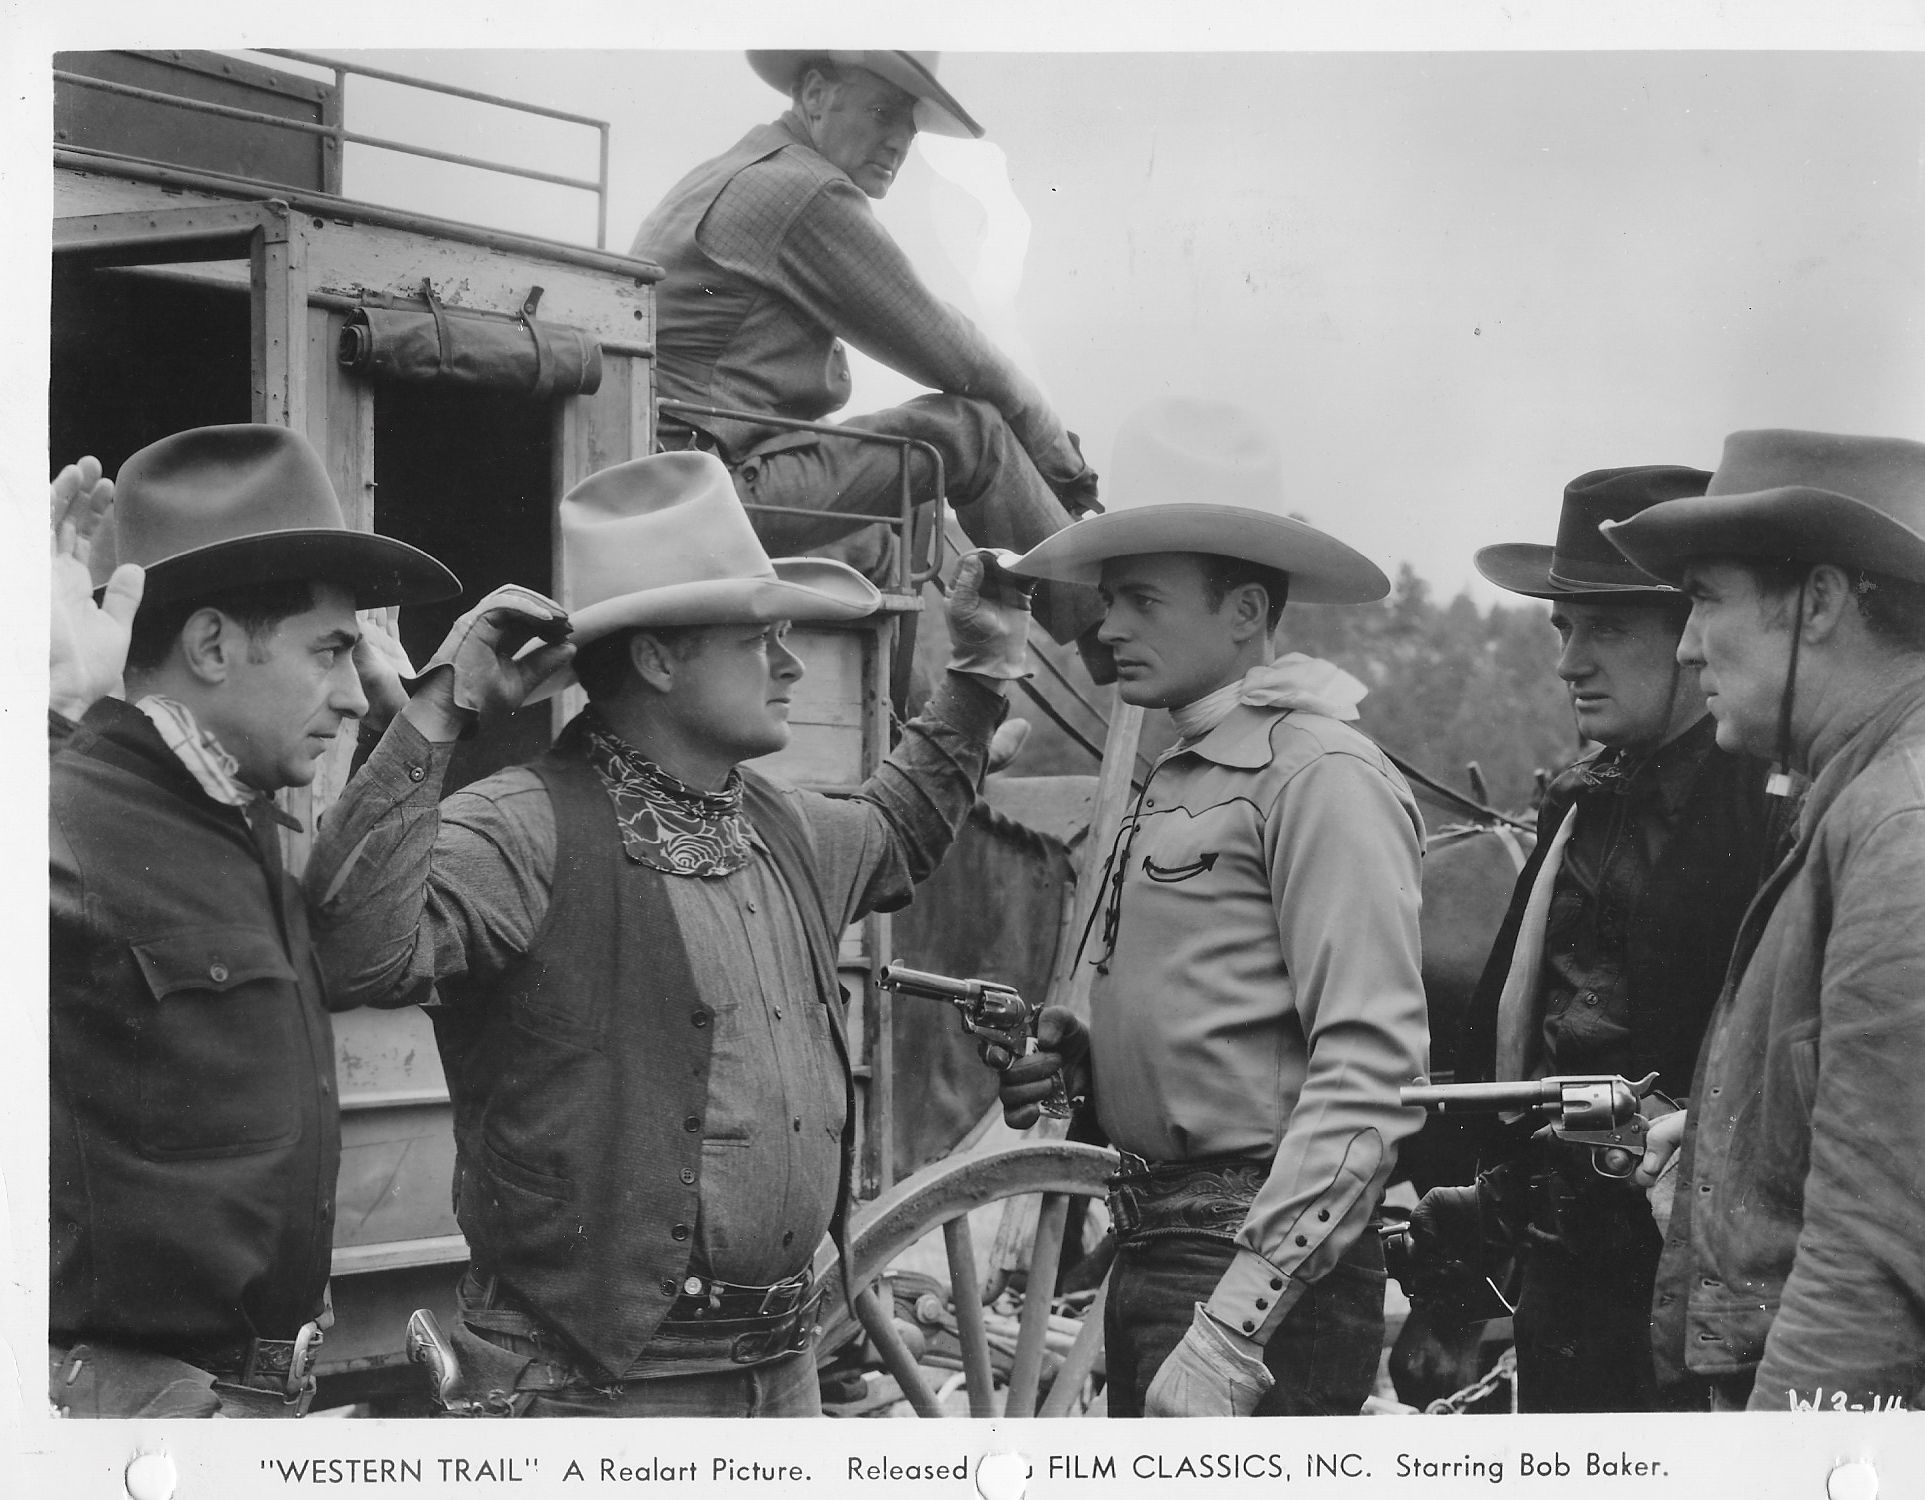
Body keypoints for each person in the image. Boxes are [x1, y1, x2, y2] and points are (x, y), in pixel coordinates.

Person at [303, 449, 1032, 1417]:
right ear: (655, 657)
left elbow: (898, 829)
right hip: (586, 1388)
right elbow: (356, 952)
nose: (789, 664)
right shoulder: (519, 829)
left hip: (782, 1367)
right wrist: (444, 708)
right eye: (759, 640)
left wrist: (978, 671)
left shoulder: (787, 830)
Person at [996, 397, 1430, 1417]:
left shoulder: (1319, 774)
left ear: (1242, 612)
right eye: (1108, 599)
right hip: (1154, 1250)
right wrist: (1087, 1056)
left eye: (1140, 599)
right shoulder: (1184, 770)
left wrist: (1236, 1328)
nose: (1102, 627)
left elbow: (1370, 1071)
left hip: (1253, 1275)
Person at [49, 425, 459, 1417]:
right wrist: (44, 713)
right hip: (129, 1420)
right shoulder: (77, 812)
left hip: (235, 1411)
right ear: (213, 645)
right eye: (329, 650)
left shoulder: (233, 823)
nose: (358, 691)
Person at [1405, 465, 1778, 1413]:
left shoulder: (1775, 818)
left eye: (1605, 628)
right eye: (1564, 628)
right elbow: (1502, 1033)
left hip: (1694, 1297)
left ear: (1694, 632)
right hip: (1556, 1274)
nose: (1569, 661)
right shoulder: (1578, 805)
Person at [1603, 428, 1925, 1412]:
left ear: (1818, 602)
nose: (1686, 641)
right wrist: (1732, 1134)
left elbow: (1872, 1254)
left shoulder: (1898, 828)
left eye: (1702, 597)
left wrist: (1789, 1461)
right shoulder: (1860, 798)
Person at [631, 50, 1109, 670]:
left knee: (884, 537)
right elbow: (956, 353)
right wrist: (1069, 478)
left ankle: (908, 736)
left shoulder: (733, 170)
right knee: (965, 433)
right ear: (814, 93)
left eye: (908, 130)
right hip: (704, 488)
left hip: (673, 481)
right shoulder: (802, 191)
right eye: (882, 113)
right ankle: (1111, 624)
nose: (897, 143)